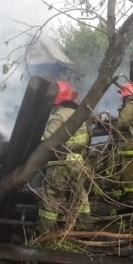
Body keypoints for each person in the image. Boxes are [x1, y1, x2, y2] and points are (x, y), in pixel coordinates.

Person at [36, 81, 91, 234]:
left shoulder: (58, 116)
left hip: (60, 163)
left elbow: (46, 142)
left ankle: (44, 233)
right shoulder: (79, 115)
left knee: (52, 198)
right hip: (78, 163)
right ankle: (85, 228)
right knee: (79, 195)